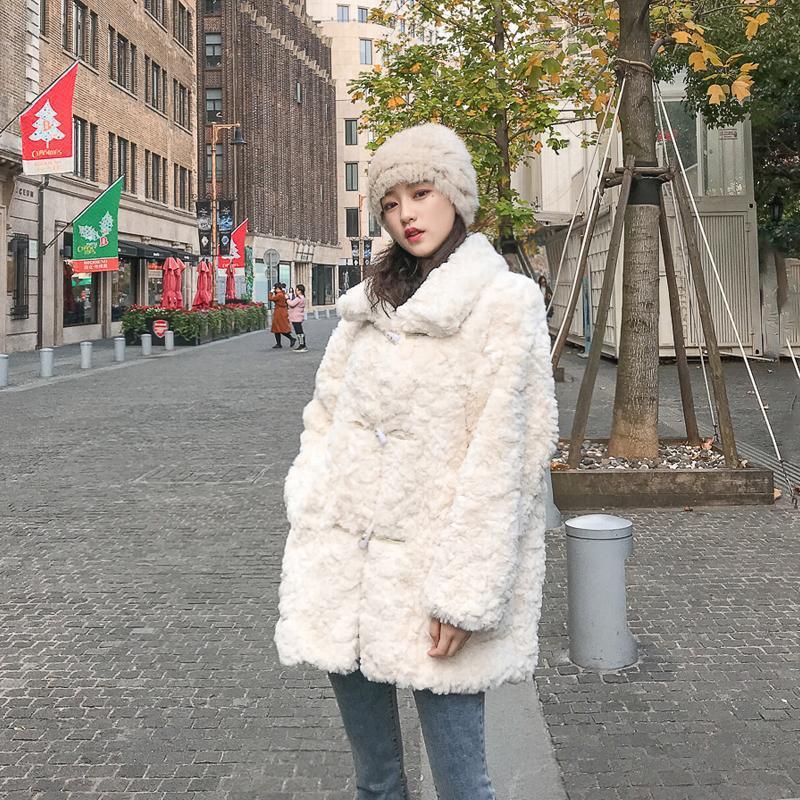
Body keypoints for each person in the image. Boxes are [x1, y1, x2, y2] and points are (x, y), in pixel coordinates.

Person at [275, 123, 558, 800]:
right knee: (376, 783)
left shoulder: (504, 304)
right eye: (390, 202)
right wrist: (310, 499)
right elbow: (324, 417)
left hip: (437, 579)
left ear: (455, 194)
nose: (406, 213)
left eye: (421, 193)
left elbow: (508, 462)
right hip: (343, 571)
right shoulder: (365, 308)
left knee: (463, 785)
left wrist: (464, 596)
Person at [268, 283, 296, 349]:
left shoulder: (279, 295)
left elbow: (270, 298)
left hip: (279, 312)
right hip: (281, 311)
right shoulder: (283, 293)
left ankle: (291, 339)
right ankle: (279, 343)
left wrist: (271, 292)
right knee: (278, 328)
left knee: (279, 328)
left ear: (277, 288)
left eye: (275, 288)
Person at [287, 284, 308, 352]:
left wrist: (287, 299)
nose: (296, 291)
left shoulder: (299, 298)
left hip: (296, 317)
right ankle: (302, 345)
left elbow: (291, 304)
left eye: (297, 290)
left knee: (299, 332)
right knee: (299, 332)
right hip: (298, 316)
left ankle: (302, 345)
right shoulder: (303, 297)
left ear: (300, 291)